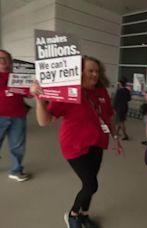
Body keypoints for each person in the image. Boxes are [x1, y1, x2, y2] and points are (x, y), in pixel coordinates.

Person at [30, 56, 121, 228]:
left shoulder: (101, 92)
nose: (95, 74)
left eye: (97, 71)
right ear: (79, 72)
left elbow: (108, 115)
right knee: (91, 185)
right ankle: (72, 215)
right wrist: (39, 100)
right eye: (90, 71)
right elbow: (45, 121)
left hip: (97, 143)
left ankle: (84, 215)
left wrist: (115, 135)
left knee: (90, 181)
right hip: (74, 146)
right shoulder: (69, 93)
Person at [0, 49, 30, 182]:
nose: (2, 61)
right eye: (0, 58)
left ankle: (16, 170)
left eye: (5, 58)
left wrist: (33, 88)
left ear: (11, 61)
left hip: (18, 116)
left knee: (17, 146)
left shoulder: (19, 75)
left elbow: (27, 93)